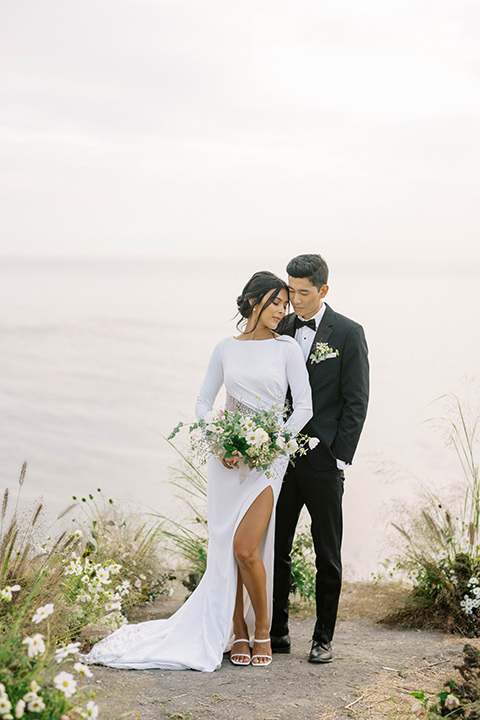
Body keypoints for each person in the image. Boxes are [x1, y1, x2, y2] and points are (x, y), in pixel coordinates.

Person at [85, 271, 312, 672]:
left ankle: (263, 628)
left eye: (285, 304)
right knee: (230, 550)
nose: (282, 310)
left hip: (268, 461)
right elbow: (204, 402)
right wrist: (222, 441)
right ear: (254, 301)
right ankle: (237, 631)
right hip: (227, 460)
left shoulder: (287, 349)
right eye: (275, 302)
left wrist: (275, 443)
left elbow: (305, 409)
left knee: (246, 547)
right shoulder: (225, 348)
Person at [271, 254, 369, 664]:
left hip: (325, 461)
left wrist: (339, 459)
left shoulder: (348, 333)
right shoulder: (282, 329)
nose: (293, 300)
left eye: (303, 293)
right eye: (290, 291)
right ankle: (276, 631)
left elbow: (356, 401)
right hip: (282, 461)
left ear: (323, 290)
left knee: (328, 552)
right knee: (276, 547)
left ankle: (323, 638)